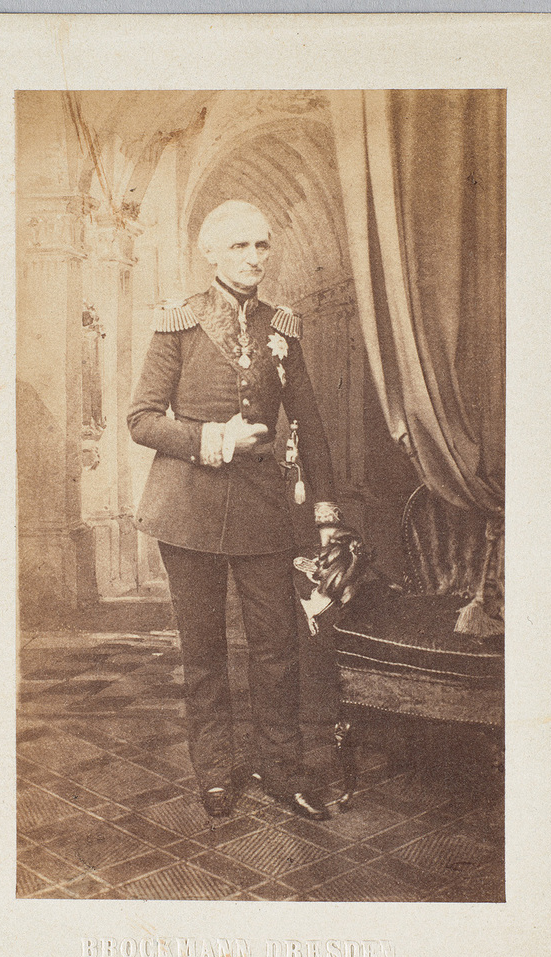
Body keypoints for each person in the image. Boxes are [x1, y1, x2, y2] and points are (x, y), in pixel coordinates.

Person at [128, 200, 344, 821]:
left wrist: (326, 511)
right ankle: (216, 771)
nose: (254, 258)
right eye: (240, 246)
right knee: (203, 649)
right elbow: (141, 419)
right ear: (211, 254)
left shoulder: (282, 326)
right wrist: (214, 439)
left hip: (262, 511)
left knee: (276, 647)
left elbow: (309, 423)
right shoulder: (180, 321)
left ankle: (282, 770)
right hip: (187, 510)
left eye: (262, 245)